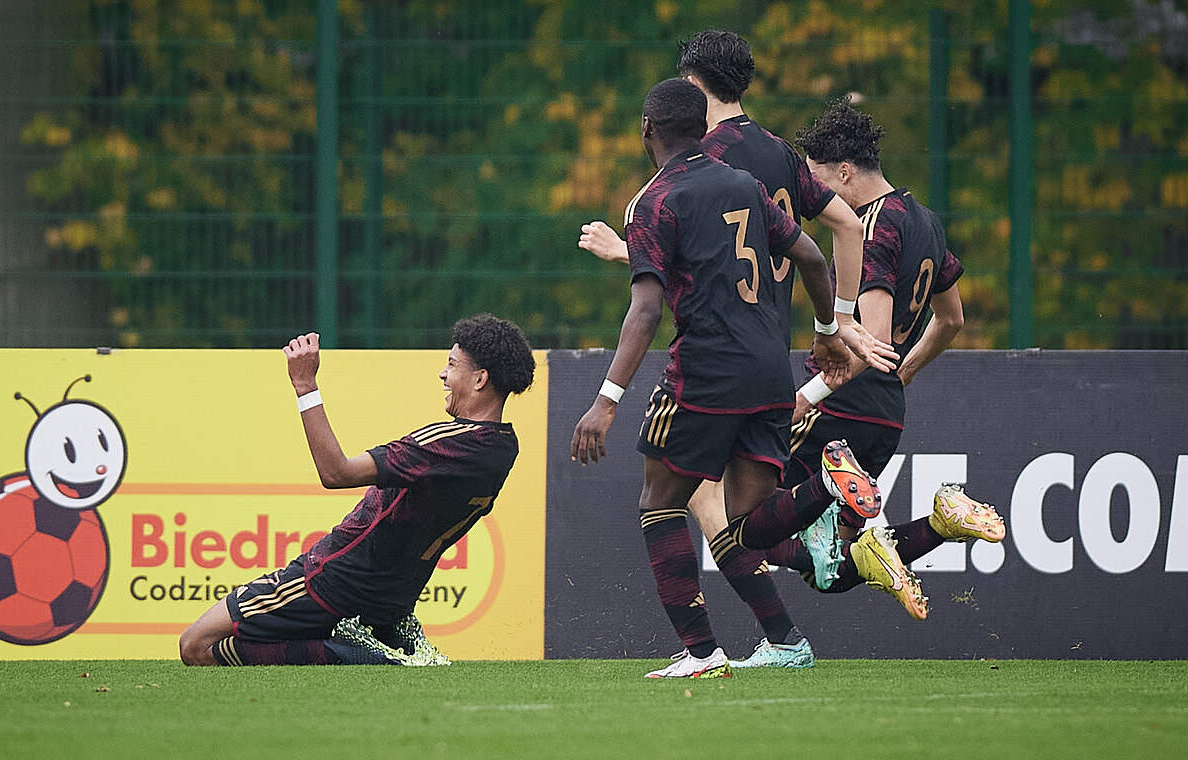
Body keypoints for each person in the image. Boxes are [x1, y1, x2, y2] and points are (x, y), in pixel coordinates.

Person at [578, 29, 897, 669]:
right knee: (746, 523)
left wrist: (606, 399)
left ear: (653, 127)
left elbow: (650, 302)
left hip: (706, 370)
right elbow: (821, 240)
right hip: (769, 363)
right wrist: (834, 327)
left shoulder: (660, 194)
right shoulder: (770, 159)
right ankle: (817, 522)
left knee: (660, 503)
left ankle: (702, 650)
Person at [724, 97, 1006, 664]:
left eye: (821, 182)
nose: (818, 197)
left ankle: (833, 481)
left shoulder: (872, 227)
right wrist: (901, 372)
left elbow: (865, 338)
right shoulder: (924, 219)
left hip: (841, 405)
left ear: (845, 173)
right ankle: (940, 523)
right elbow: (952, 320)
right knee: (832, 566)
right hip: (885, 413)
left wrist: (805, 397)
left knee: (741, 521)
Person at [179, 314, 536, 666]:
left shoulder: (445, 443)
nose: (443, 374)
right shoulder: (504, 448)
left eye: (452, 365)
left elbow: (336, 472)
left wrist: (305, 385)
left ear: (480, 379)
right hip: (390, 600)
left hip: (333, 579)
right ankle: (356, 643)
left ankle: (358, 654)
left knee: (196, 646)